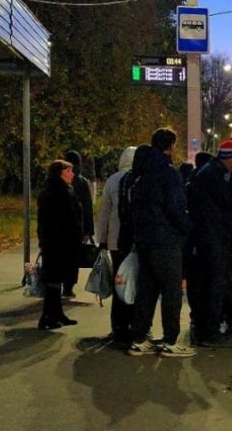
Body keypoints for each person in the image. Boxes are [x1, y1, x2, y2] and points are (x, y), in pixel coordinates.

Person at [127, 128, 195, 358]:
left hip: (144, 240)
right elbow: (175, 208)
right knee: (171, 292)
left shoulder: (141, 173)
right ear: (171, 146)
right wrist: (186, 228)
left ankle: (139, 338)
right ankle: (170, 341)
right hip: (165, 240)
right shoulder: (168, 173)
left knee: (146, 290)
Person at [187, 139, 232, 347]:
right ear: (229, 158)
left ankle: (203, 329)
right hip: (212, 240)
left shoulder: (208, 172)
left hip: (206, 238)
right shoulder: (215, 175)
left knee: (206, 285)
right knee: (214, 286)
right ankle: (209, 332)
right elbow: (228, 201)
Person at [94, 146, 137, 344]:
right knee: (134, 280)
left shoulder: (112, 180)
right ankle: (135, 324)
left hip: (115, 242)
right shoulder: (140, 177)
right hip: (135, 242)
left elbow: (104, 214)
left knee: (119, 281)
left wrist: (101, 239)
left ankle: (118, 325)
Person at [36, 159, 83, 330]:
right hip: (58, 242)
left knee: (55, 280)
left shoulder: (57, 190)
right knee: (54, 279)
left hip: (57, 242)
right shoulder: (57, 192)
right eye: (68, 172)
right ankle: (48, 316)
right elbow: (62, 218)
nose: (72, 175)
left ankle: (56, 313)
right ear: (59, 174)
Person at [62, 150, 94, 297]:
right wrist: (89, 230)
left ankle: (59, 283)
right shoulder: (82, 181)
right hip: (78, 227)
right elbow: (88, 206)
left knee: (61, 257)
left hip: (61, 226)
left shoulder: (60, 178)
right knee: (74, 258)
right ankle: (69, 286)